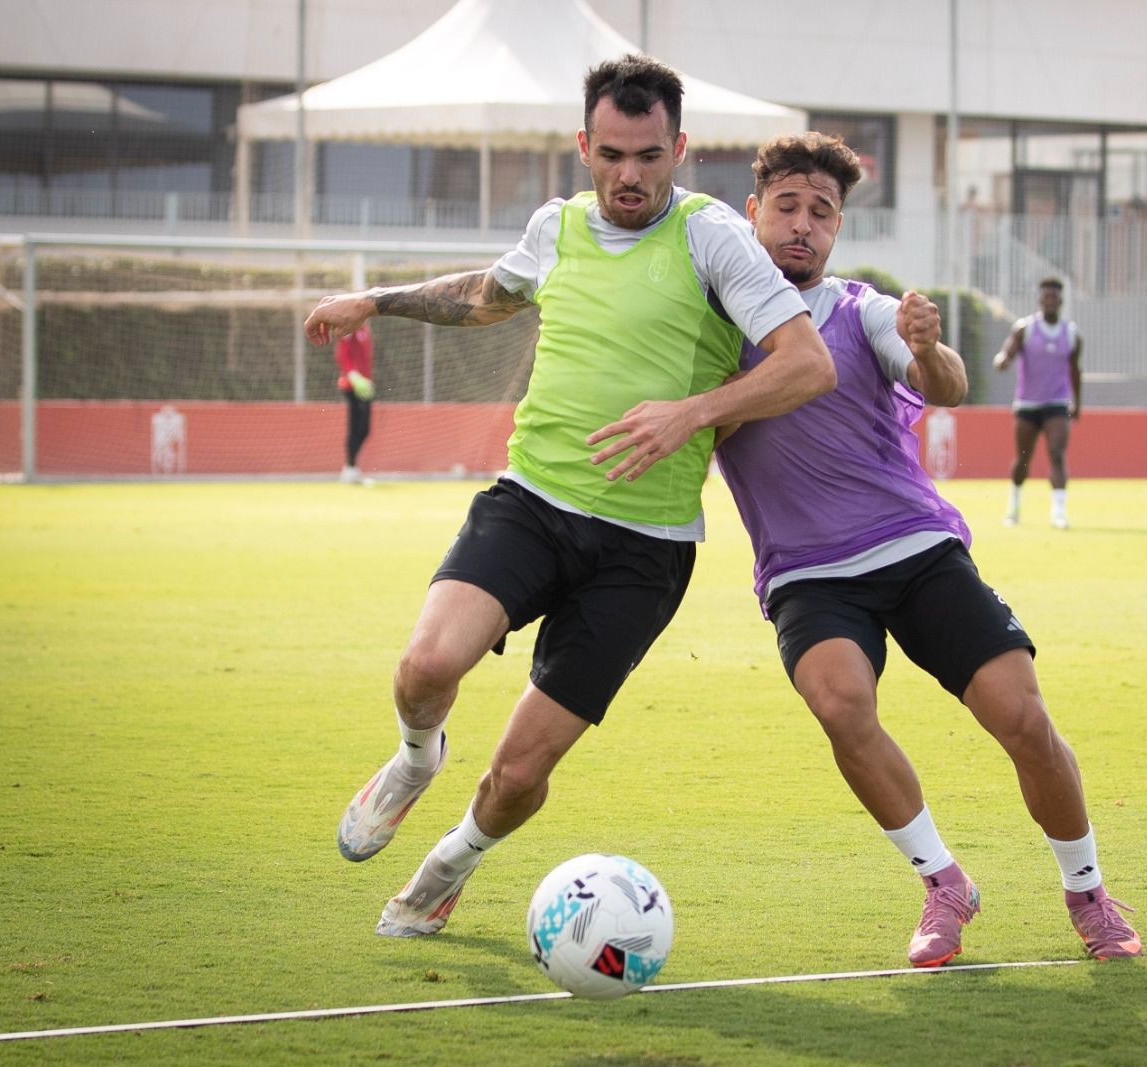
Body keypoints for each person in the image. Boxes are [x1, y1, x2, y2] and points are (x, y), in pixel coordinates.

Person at [302, 55, 835, 938]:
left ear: (681, 151)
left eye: (651, 156)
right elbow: (485, 297)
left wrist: (691, 414)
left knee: (516, 775)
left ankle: (452, 862)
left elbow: (806, 361)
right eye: (615, 154)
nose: (632, 175)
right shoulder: (557, 226)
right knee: (424, 668)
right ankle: (413, 756)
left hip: (645, 547)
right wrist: (377, 299)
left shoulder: (712, 237)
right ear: (586, 147)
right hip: (532, 503)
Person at [715, 132, 1141, 965]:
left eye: (823, 212)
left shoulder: (857, 309)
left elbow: (944, 384)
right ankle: (945, 883)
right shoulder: (708, 326)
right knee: (841, 707)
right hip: (806, 574)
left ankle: (1087, 891)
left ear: (837, 228)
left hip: (914, 548)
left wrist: (924, 344)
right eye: (789, 207)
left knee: (1021, 716)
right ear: (752, 212)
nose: (804, 225)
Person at [993, 277, 1083, 529]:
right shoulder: (1026, 329)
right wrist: (1002, 359)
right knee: (1023, 458)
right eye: (1046, 296)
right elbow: (1008, 351)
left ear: (1061, 300)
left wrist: (1078, 403)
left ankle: (1059, 512)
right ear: (1040, 299)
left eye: (1054, 296)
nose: (1050, 300)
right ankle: (1013, 506)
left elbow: (1075, 371)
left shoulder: (1072, 334)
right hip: (1027, 405)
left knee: (1057, 453)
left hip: (1057, 403)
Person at [334, 322, 375, 483]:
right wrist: (353, 375)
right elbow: (342, 354)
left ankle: (351, 466)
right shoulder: (349, 326)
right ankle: (350, 468)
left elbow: (365, 358)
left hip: (365, 385)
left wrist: (368, 380)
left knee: (364, 429)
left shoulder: (365, 328)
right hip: (351, 384)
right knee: (355, 427)